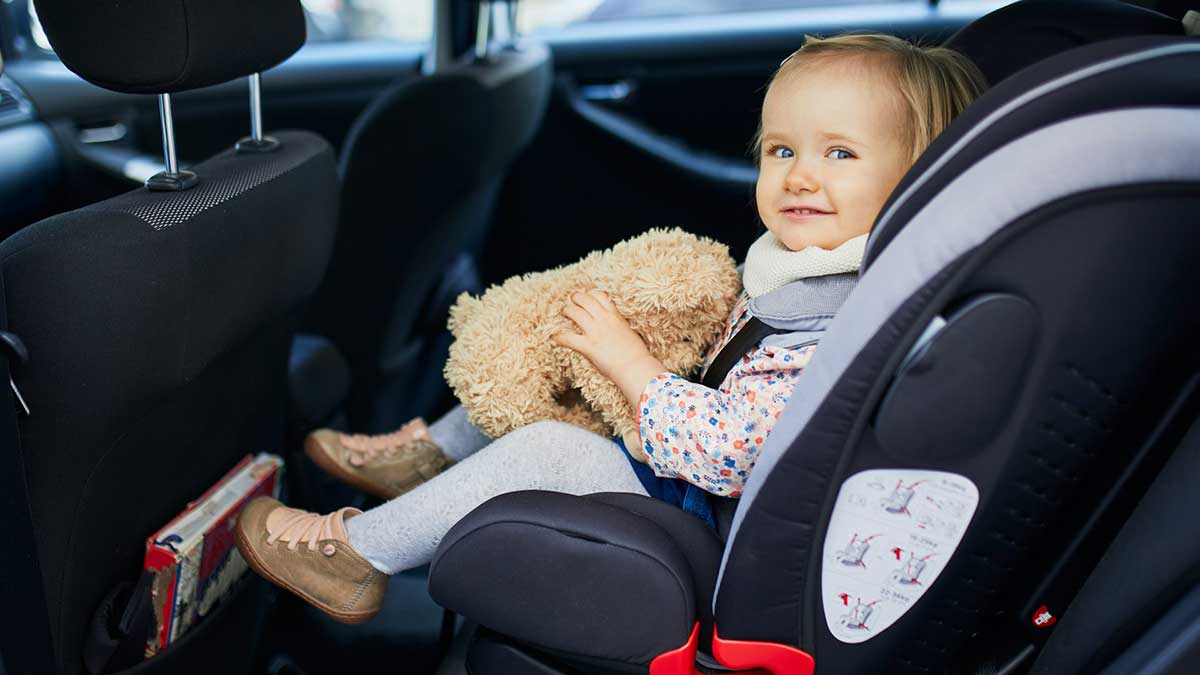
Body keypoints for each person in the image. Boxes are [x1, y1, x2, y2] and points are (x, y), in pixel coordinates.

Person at [235, 33, 986, 624]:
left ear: (920, 179)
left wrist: (633, 365)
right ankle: (430, 455)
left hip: (723, 533)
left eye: (840, 154)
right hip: (692, 474)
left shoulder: (847, 319)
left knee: (551, 446)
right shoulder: (810, 275)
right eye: (781, 150)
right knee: (556, 357)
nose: (799, 175)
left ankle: (357, 557)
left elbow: (733, 451)